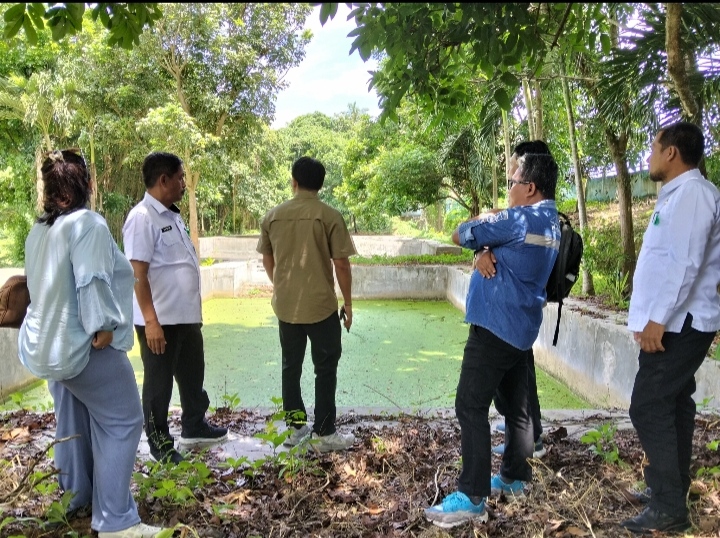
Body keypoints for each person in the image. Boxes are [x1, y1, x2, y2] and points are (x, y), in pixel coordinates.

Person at [18, 149, 167, 537]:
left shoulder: (39, 231)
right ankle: (115, 520)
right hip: (79, 345)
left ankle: (77, 498)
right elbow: (91, 280)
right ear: (86, 184)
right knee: (123, 418)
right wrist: (102, 325)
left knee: (74, 418)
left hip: (44, 346)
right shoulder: (88, 224)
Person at [425, 153, 560, 528]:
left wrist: (483, 239)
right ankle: (516, 477)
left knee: (470, 404)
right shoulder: (551, 222)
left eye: (513, 182)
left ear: (530, 188)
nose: (509, 188)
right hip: (521, 328)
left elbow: (459, 233)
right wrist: (486, 250)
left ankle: (472, 496)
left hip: (494, 326)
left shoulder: (518, 219)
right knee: (517, 408)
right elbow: (511, 251)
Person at [619, 122, 720, 534]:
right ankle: (671, 489)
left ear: (671, 153)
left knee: (647, 404)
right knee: (675, 402)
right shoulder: (679, 195)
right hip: (674, 320)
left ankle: (667, 507)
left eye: (653, 148)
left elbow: (684, 263)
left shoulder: (693, 195)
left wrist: (657, 319)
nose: (650, 156)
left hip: (680, 322)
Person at [122, 152, 227, 465]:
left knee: (193, 375)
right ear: (163, 179)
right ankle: (160, 444)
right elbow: (137, 274)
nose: (184, 183)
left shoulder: (172, 215)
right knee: (159, 385)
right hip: (160, 321)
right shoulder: (142, 218)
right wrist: (150, 321)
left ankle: (194, 426)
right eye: (180, 178)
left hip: (185, 317)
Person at [256, 156, 357, 453]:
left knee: (291, 366)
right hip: (322, 306)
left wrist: (281, 286)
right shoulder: (330, 216)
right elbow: (341, 264)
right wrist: (348, 303)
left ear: (294, 182)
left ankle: (295, 428)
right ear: (321, 185)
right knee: (325, 367)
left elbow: (267, 258)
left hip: (286, 306)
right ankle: (324, 432)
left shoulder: (273, 216)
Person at [476, 141, 552, 460]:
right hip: (515, 308)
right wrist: (484, 249)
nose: (510, 177)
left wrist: (494, 230)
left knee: (520, 375)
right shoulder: (524, 216)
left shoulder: (537, 219)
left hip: (520, 307)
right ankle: (522, 436)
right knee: (518, 374)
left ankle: (530, 439)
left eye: (514, 172)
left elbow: (530, 241)